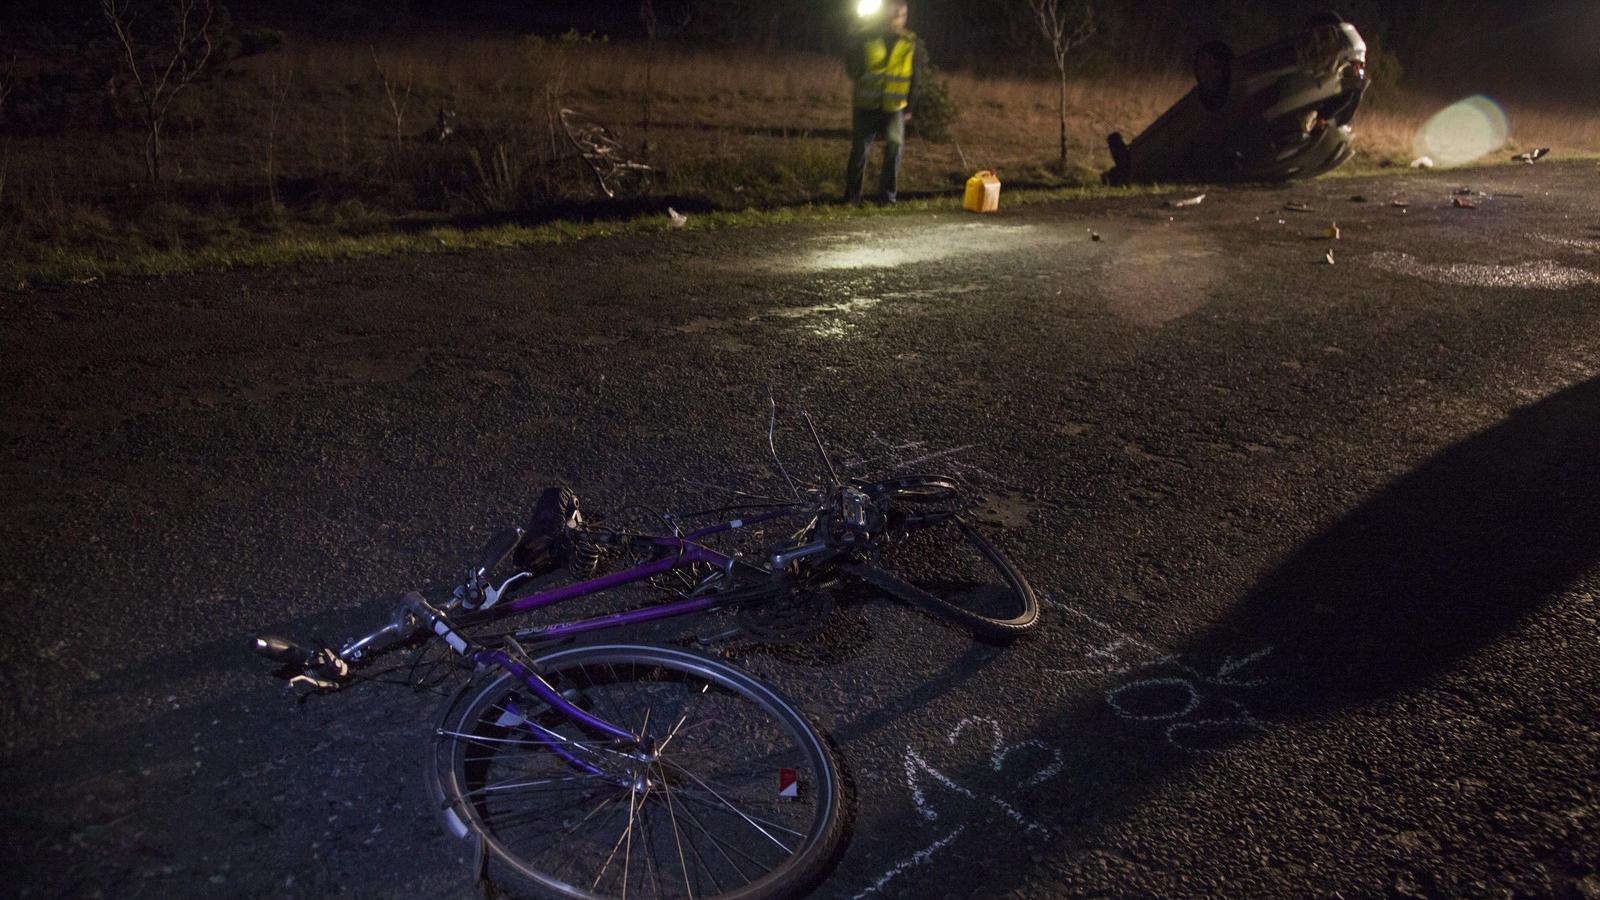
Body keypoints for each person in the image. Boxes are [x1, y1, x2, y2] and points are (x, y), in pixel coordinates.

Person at [844, 0, 925, 205]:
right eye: (895, 13)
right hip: (866, 105)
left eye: (902, 14)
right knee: (860, 152)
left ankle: (887, 198)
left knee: (894, 150)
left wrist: (910, 106)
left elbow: (915, 77)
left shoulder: (911, 42)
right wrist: (853, 44)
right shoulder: (866, 36)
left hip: (894, 107)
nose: (898, 18)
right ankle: (852, 198)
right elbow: (853, 70)